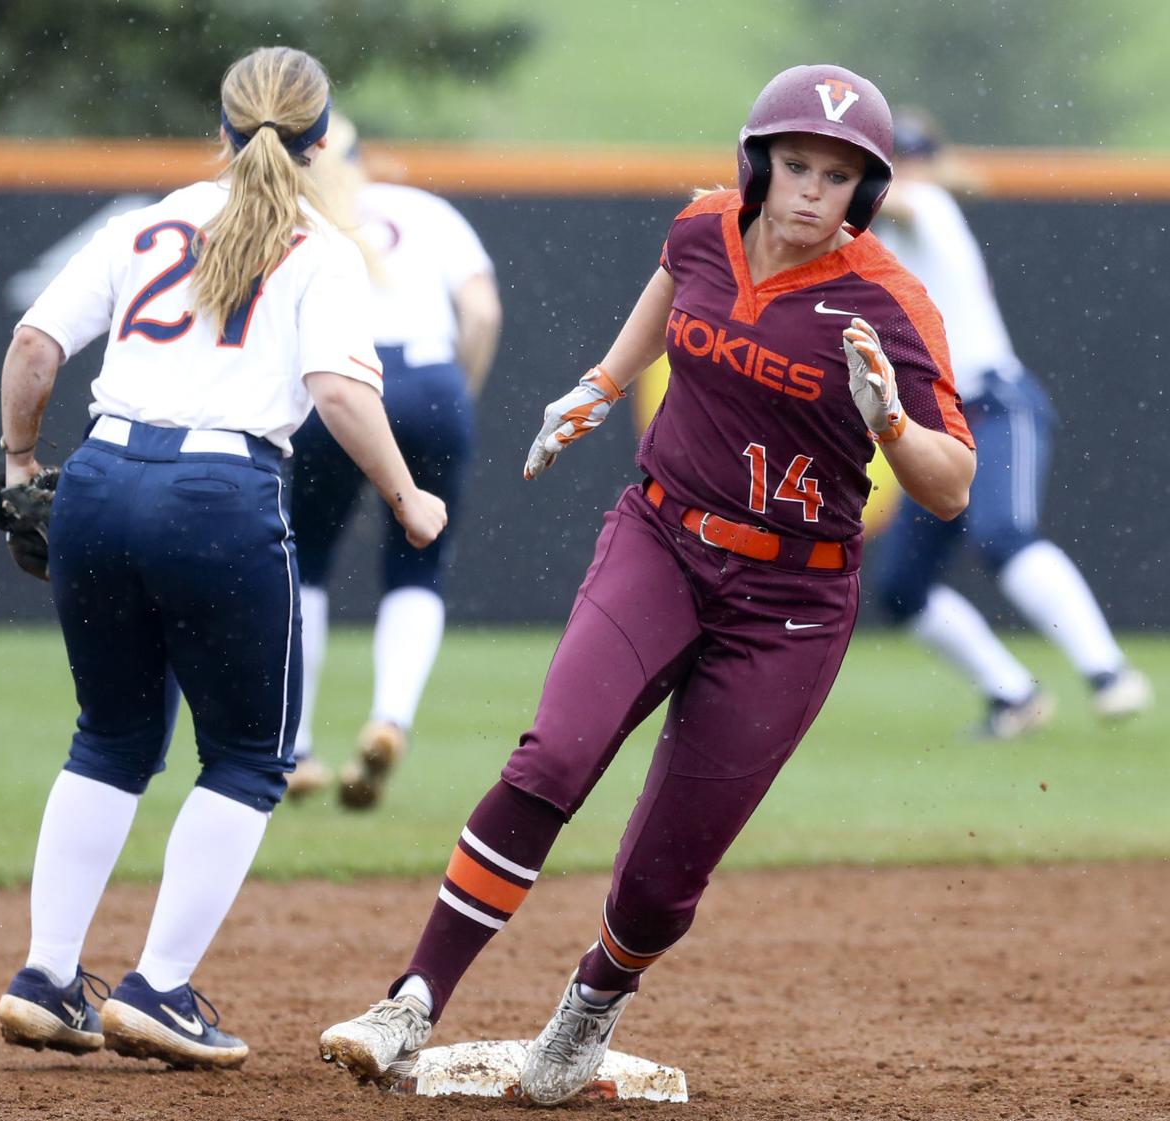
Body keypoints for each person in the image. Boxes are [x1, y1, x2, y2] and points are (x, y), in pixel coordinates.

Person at [317, 64, 976, 1105]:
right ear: (758, 163)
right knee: (552, 757)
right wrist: (599, 383)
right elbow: (672, 292)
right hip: (662, 538)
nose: (809, 190)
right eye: (795, 163)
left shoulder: (889, 302)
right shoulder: (706, 226)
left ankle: (592, 997)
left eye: (837, 175)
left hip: (791, 605)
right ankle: (409, 999)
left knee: (664, 876)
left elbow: (949, 487)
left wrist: (891, 419)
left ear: (868, 190)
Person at [0, 46, 446, 1070]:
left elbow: (33, 348)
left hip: (101, 478)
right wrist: (407, 494)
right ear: (323, 137)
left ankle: (47, 974)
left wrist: (23, 460)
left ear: (225, 129)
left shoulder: (144, 223)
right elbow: (337, 392)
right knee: (247, 753)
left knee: (109, 732)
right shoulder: (321, 247)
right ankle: (156, 987)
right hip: (217, 495)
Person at [873, 108, 1152, 738]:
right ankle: (1013, 694)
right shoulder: (874, 238)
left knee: (1001, 533)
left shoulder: (928, 207)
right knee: (901, 588)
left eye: (907, 159)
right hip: (938, 424)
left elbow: (907, 201)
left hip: (993, 403)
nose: (904, 170)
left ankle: (1108, 673)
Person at [285, 113, 502, 808]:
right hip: (431, 380)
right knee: (418, 562)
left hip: (340, 384)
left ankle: (296, 747)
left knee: (307, 560)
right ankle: (391, 716)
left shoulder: (303, 216)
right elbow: (483, 314)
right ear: (364, 157)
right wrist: (455, 395)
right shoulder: (425, 208)